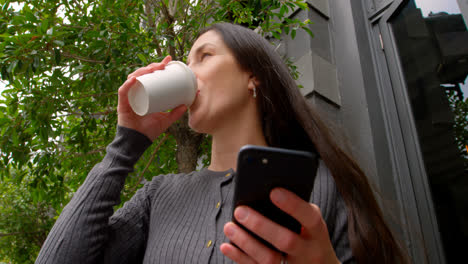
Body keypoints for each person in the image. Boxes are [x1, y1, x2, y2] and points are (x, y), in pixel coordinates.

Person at [36, 23, 408, 264]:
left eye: (205, 56)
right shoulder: (160, 195)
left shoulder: (319, 183)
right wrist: (126, 143)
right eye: (186, 62)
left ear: (253, 77)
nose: (186, 71)